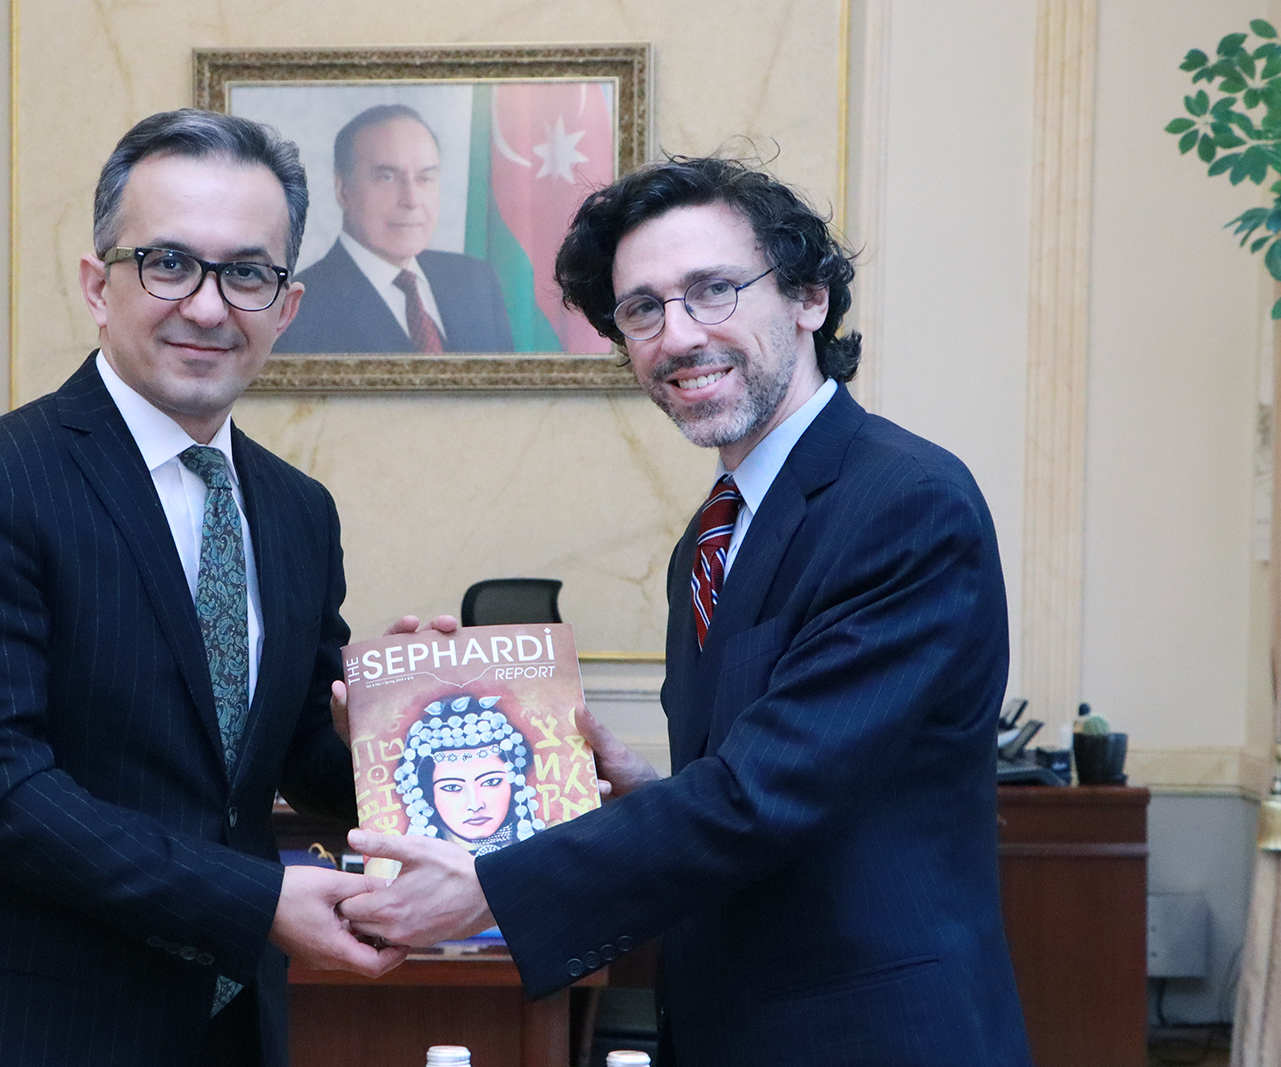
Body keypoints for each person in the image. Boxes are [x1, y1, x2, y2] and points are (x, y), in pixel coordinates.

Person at [340, 156, 1033, 1067]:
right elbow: (758, 782)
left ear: (809, 298)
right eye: (642, 309)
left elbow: (761, 795)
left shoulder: (904, 503)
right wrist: (643, 787)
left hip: (874, 1035)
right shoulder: (712, 535)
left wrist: (495, 888)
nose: (678, 335)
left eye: (713, 290)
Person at [0, 109, 402, 1067]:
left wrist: (401, 725)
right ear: (98, 284)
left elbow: (295, 753)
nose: (207, 307)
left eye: (246, 273)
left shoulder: (298, 509)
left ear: (286, 305)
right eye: (168, 263)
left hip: (230, 1027)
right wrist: (256, 901)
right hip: (32, 1030)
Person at [271, 103, 514, 354]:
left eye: (425, 178)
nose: (411, 200)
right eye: (386, 177)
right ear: (342, 189)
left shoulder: (476, 282)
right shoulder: (296, 311)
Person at [394, 693, 544, 855]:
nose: (475, 804)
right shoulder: (396, 862)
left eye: (491, 782)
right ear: (428, 795)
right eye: (452, 787)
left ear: (514, 783)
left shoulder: (550, 844)